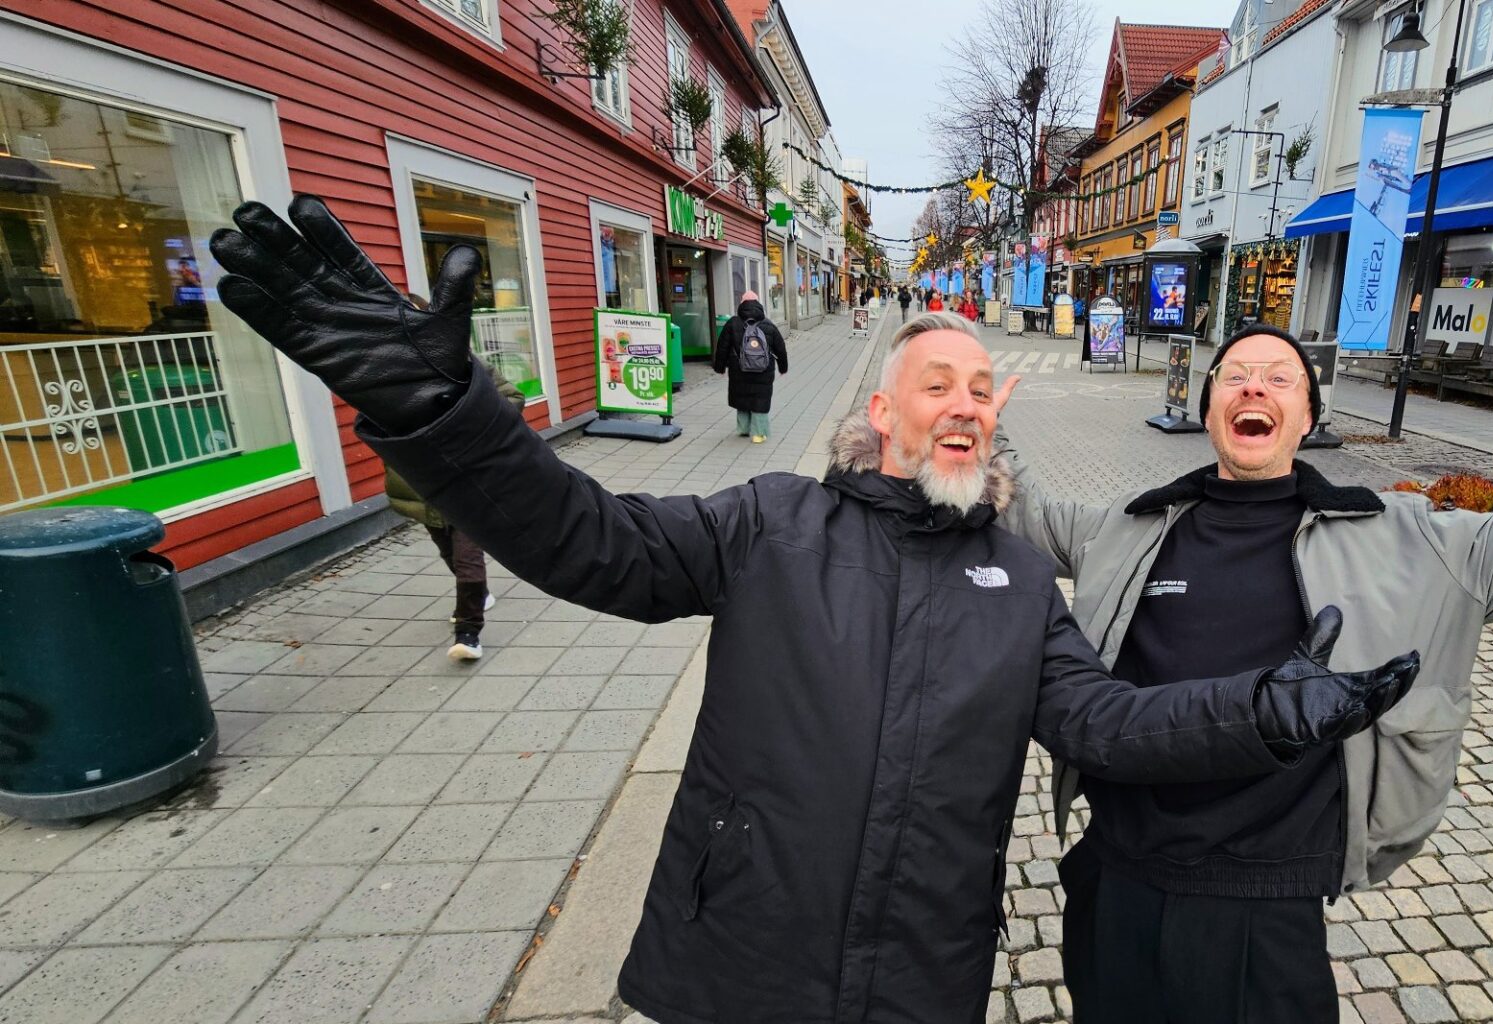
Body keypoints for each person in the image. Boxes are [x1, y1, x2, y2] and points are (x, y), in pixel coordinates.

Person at [207, 198, 1421, 1024]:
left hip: (921, 974)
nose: (967, 401)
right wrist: (444, 412)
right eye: (936, 382)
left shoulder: (1015, 581)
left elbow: (1108, 725)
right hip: (743, 954)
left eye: (984, 388)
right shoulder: (770, 523)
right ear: (882, 414)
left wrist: (1263, 711)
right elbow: (590, 541)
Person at [992, 235, 1493, 1022]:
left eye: (1279, 379)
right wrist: (966, 416)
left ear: (1308, 415)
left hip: (1264, 902)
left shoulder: (1420, 537)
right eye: (1235, 375)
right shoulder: (1127, 527)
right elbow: (1013, 510)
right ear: (1207, 404)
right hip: (1116, 877)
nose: (1253, 388)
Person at [384, 293, 527, 661]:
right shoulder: (387, 375)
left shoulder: (463, 364)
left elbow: (511, 398)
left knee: (467, 557)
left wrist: (467, 421)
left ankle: (468, 631)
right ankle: (479, 594)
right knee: (447, 550)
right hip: (421, 485)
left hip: (467, 480)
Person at [711, 291, 788, 443]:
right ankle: (759, 434)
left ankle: (743, 429)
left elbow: (722, 347)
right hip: (763, 370)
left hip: (738, 369)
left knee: (742, 397)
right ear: (758, 304)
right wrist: (783, 367)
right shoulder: (768, 324)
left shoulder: (732, 323)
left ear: (741, 304)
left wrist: (720, 367)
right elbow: (780, 348)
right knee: (760, 399)